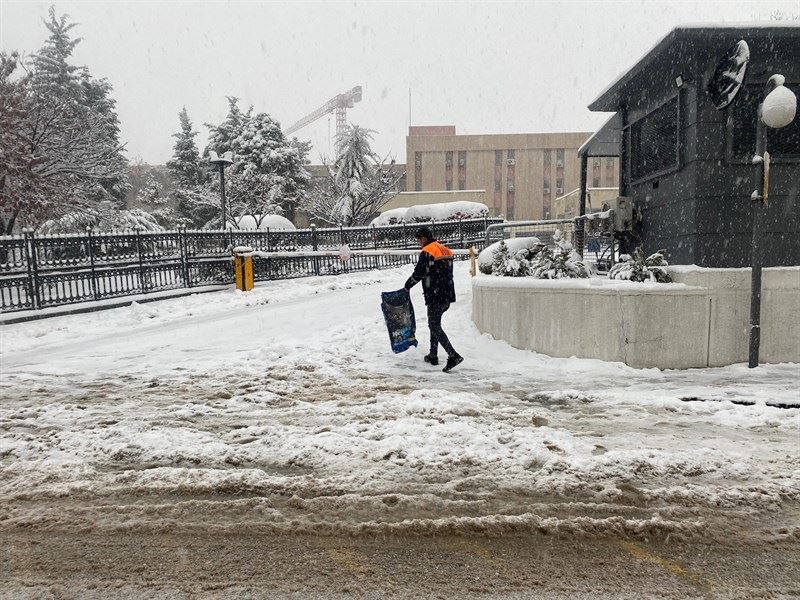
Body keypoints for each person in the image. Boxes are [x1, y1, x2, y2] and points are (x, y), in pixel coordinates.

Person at [404, 226, 464, 372]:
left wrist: (407, 286)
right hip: (447, 295)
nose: (419, 243)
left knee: (434, 325)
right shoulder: (445, 250)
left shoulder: (428, 251)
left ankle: (453, 355)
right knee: (434, 323)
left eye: (418, 240)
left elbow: (419, 273)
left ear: (423, 238)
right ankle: (433, 354)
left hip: (435, 296)